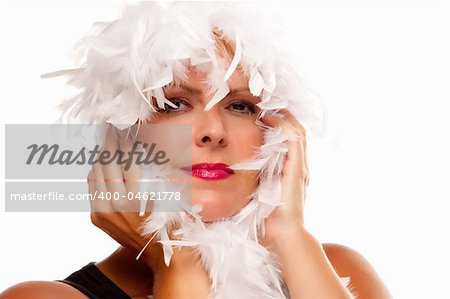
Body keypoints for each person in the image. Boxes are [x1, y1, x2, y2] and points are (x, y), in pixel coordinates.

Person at [1, 2, 392, 298]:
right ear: (120, 137)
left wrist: (289, 233)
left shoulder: (339, 272)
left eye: (240, 105)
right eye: (174, 104)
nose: (213, 131)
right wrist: (178, 264)